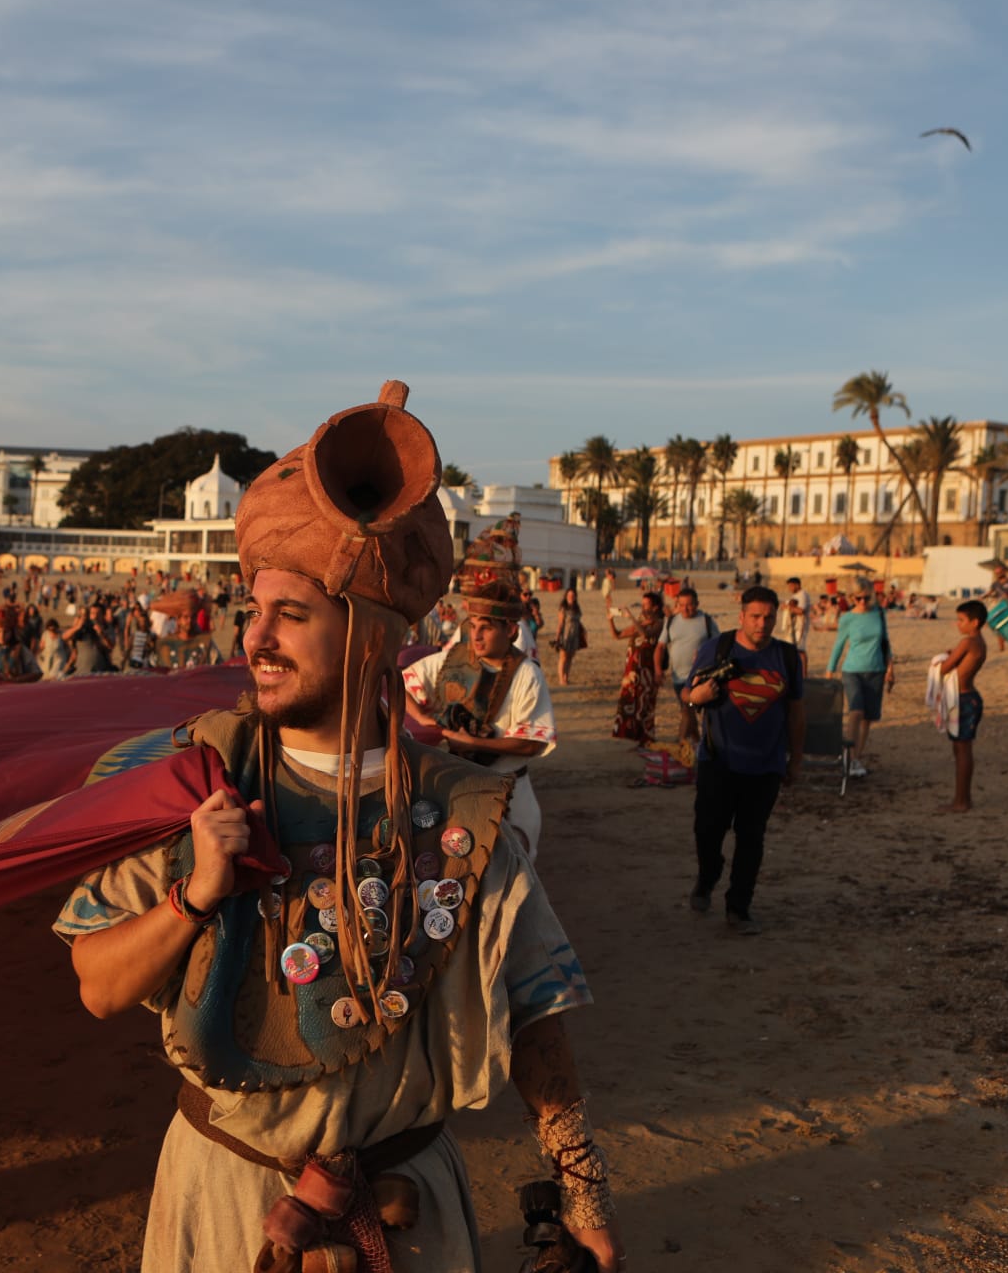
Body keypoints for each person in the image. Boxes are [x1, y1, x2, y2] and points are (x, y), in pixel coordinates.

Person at [53, 383, 621, 1271]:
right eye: (253, 610)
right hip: (224, 1193)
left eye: (291, 614)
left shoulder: (467, 812)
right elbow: (96, 985)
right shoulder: (195, 776)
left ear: (369, 635)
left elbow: (536, 1012)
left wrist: (582, 1194)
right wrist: (196, 895)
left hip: (407, 1209)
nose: (256, 638)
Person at [403, 518, 557, 859]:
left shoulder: (526, 673)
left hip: (510, 792)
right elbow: (401, 684)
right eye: (472, 626)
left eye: (486, 628)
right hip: (456, 791)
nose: (476, 636)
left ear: (512, 631)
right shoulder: (453, 657)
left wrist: (470, 741)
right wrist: (426, 722)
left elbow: (531, 743)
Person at [683, 585, 805, 934]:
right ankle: (707, 877)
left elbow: (797, 713)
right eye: (755, 616)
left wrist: (795, 760)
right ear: (741, 616)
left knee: (752, 838)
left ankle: (739, 908)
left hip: (766, 766)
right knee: (707, 831)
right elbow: (688, 695)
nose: (762, 624)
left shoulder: (787, 657)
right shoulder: (717, 648)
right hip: (718, 761)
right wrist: (697, 697)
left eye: (769, 617)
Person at [826, 585, 894, 779]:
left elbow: (885, 642)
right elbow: (839, 644)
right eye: (858, 598)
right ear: (852, 598)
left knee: (867, 718)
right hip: (852, 670)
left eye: (866, 597)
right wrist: (830, 670)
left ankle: (855, 758)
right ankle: (847, 755)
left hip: (877, 670)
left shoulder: (879, 613)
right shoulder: (848, 618)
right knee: (856, 711)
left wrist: (891, 667)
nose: (863, 602)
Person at [936, 600, 989, 812]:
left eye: (961, 620)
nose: (958, 624)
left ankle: (962, 801)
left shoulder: (968, 642)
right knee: (961, 749)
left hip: (964, 699)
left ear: (974, 622)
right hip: (968, 698)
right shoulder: (980, 642)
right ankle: (961, 798)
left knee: (963, 749)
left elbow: (944, 669)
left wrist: (943, 660)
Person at [655, 588, 717, 745]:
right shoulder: (671, 621)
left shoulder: (706, 621)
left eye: (689, 605)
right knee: (688, 710)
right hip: (679, 677)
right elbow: (660, 647)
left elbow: (719, 647)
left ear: (697, 604)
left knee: (689, 710)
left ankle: (682, 740)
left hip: (701, 677)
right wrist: (658, 670)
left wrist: (705, 655)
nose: (685, 608)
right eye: (681, 605)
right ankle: (697, 742)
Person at [608, 591, 663, 743]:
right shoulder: (641, 621)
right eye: (643, 604)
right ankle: (627, 734)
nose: (644, 607)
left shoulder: (659, 623)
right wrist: (611, 620)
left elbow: (646, 635)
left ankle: (643, 737)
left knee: (644, 704)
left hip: (647, 670)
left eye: (646, 604)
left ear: (655, 607)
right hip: (632, 669)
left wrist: (631, 617)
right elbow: (617, 635)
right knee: (628, 702)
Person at [65, 606, 114, 676]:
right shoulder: (80, 629)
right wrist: (77, 627)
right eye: (93, 613)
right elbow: (65, 637)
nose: (95, 616)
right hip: (81, 670)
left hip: (100, 670)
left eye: (98, 614)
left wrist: (102, 634)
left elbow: (110, 647)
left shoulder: (105, 628)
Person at [776, 576, 811, 673]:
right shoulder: (795, 596)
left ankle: (804, 673)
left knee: (800, 649)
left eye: (791, 586)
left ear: (797, 585)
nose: (789, 588)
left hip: (801, 625)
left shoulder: (803, 595)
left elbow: (801, 610)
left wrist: (787, 607)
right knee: (793, 648)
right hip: (793, 626)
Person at [552, 589, 586, 687]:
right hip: (566, 635)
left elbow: (578, 621)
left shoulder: (576, 608)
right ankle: (561, 678)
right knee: (563, 657)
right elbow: (560, 623)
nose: (571, 597)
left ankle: (566, 677)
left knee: (570, 657)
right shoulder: (563, 608)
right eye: (569, 595)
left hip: (574, 634)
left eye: (573, 595)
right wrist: (557, 637)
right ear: (566, 596)